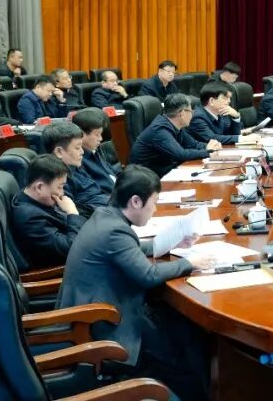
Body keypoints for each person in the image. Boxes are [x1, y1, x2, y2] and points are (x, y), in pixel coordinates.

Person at [58, 165, 215, 401]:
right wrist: (190, 263)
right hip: (105, 325)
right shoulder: (115, 231)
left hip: (103, 308)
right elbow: (148, 276)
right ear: (135, 201)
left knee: (183, 331)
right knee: (182, 357)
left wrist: (170, 244)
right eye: (154, 203)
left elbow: (128, 249)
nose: (155, 209)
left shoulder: (105, 216)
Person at [9, 154, 84, 268]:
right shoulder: (31, 219)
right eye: (60, 187)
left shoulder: (30, 195)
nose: (62, 193)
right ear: (39, 187)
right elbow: (72, 248)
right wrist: (72, 213)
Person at [129, 94, 219, 178]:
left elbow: (193, 144)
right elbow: (181, 154)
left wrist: (208, 146)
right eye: (191, 111)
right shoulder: (159, 130)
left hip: (166, 170)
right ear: (182, 113)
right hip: (148, 178)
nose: (193, 114)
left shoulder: (176, 126)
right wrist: (208, 152)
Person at [44, 121, 106, 217]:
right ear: (59, 152)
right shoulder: (58, 180)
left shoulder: (74, 165)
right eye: (77, 148)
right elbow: (75, 212)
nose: (82, 152)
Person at [74, 107, 121, 196]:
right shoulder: (78, 160)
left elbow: (111, 172)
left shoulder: (95, 149)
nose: (101, 138)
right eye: (97, 135)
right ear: (81, 134)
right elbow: (94, 193)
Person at [190, 82, 257, 145]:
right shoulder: (197, 117)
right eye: (225, 98)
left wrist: (236, 117)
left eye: (229, 98)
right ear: (212, 101)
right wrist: (243, 139)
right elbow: (212, 138)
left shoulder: (222, 112)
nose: (229, 101)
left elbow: (233, 134)